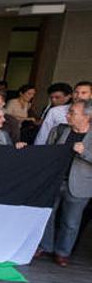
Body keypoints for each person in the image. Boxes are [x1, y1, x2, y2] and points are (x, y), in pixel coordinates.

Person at [38, 100, 92, 267]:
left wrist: (84, 153)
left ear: (87, 116)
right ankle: (44, 246)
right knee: (46, 215)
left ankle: (62, 253)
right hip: (55, 180)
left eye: (72, 113)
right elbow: (47, 153)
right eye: (68, 112)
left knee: (71, 221)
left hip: (80, 184)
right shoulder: (59, 130)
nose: (67, 115)